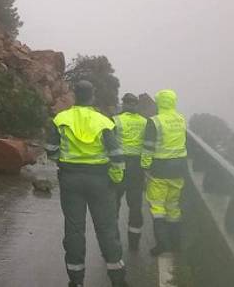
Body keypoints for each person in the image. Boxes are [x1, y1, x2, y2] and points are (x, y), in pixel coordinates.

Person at [45, 80, 129, 287]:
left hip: (70, 179)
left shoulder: (61, 119)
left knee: (74, 230)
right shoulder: (104, 121)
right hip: (100, 180)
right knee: (107, 229)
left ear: (75, 95)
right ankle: (118, 280)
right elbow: (117, 155)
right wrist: (116, 178)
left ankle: (76, 281)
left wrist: (64, 161)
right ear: (92, 96)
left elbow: (51, 149)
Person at [141, 89, 188, 256]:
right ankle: (176, 244)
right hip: (179, 169)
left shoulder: (155, 122)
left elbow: (148, 148)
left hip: (159, 170)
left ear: (159, 102)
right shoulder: (181, 119)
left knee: (158, 207)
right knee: (173, 207)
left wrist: (145, 166)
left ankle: (162, 244)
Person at [113, 93, 148, 250]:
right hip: (137, 168)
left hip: (119, 166)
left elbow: (110, 144)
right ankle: (134, 243)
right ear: (136, 105)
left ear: (124, 103)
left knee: (113, 204)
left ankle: (113, 241)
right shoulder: (145, 122)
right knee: (135, 206)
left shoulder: (116, 120)